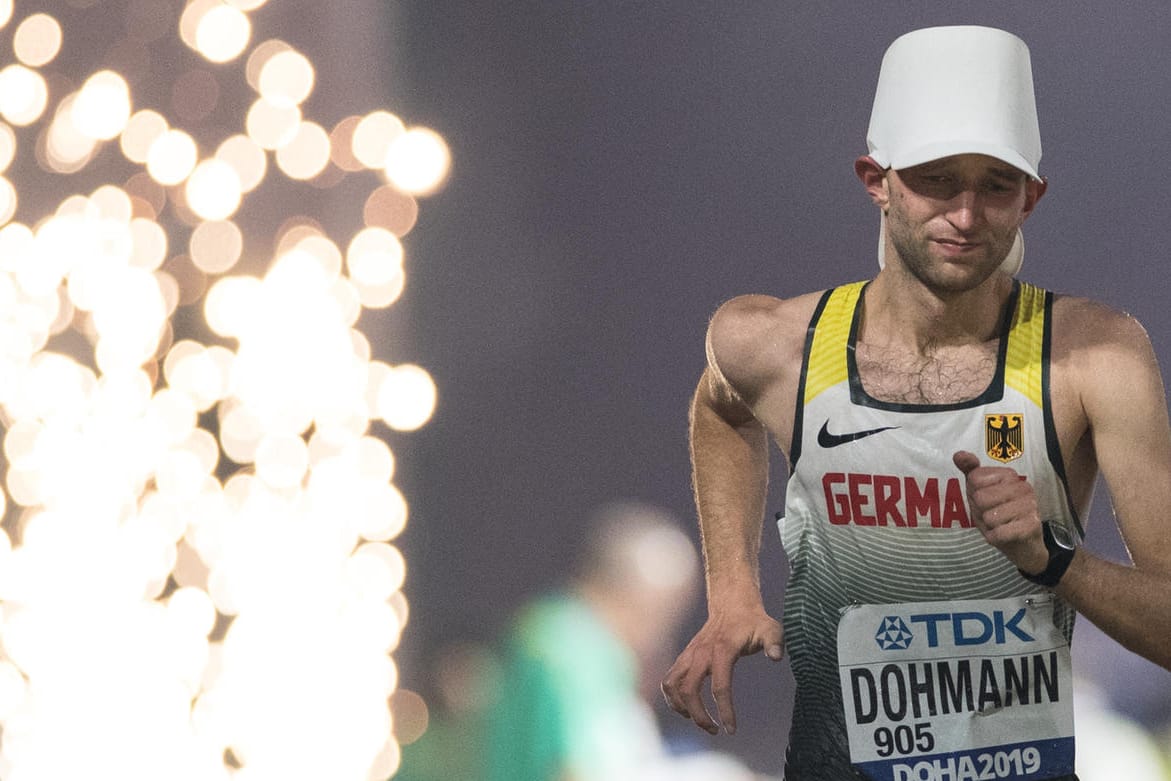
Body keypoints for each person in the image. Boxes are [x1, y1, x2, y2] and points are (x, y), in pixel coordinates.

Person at [660, 25, 1171, 781]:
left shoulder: (1093, 358)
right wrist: (731, 589)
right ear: (876, 179)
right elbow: (719, 404)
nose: (965, 217)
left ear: (1031, 196)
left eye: (995, 185)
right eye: (935, 180)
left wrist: (1051, 559)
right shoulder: (771, 343)